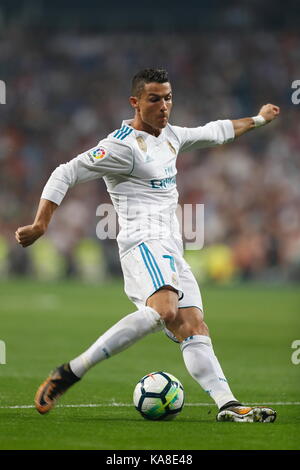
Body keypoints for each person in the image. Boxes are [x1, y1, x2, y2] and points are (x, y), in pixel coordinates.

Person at [15, 68, 280, 422]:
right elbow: (66, 171)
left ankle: (228, 404)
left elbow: (215, 131)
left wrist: (259, 119)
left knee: (194, 327)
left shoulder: (170, 136)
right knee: (165, 311)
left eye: (168, 98)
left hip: (171, 246)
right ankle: (70, 372)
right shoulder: (121, 148)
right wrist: (41, 223)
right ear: (135, 102)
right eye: (155, 99)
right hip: (142, 242)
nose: (164, 106)